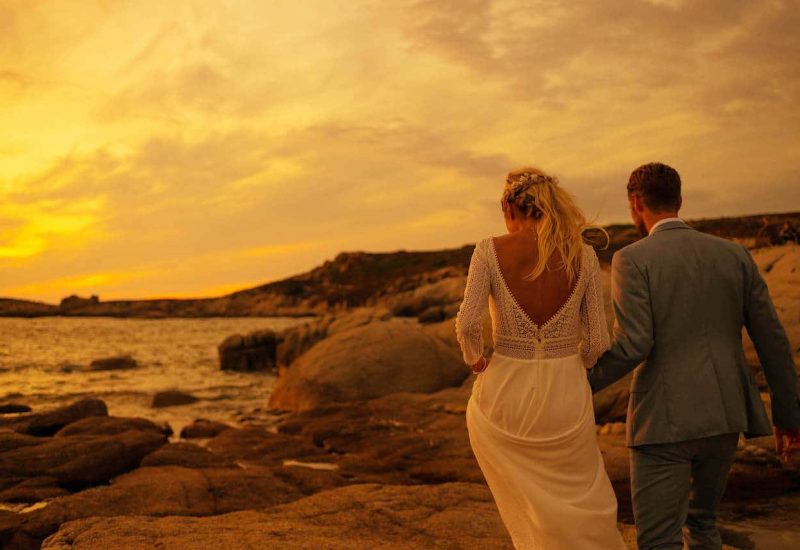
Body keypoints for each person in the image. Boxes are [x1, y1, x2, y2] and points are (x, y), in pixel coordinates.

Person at [587, 162, 800, 550]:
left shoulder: (632, 259)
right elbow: (773, 340)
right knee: (702, 525)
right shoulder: (733, 255)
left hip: (663, 424)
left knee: (658, 541)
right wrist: (789, 416)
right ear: (680, 200)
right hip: (725, 417)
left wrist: (578, 383)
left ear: (635, 203)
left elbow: (634, 343)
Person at [456, 167, 625, 549]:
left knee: (530, 502)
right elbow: (598, 341)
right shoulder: (581, 254)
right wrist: (571, 365)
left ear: (508, 206)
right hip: (566, 391)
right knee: (582, 496)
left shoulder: (488, 250)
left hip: (506, 390)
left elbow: (467, 324)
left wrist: (477, 362)